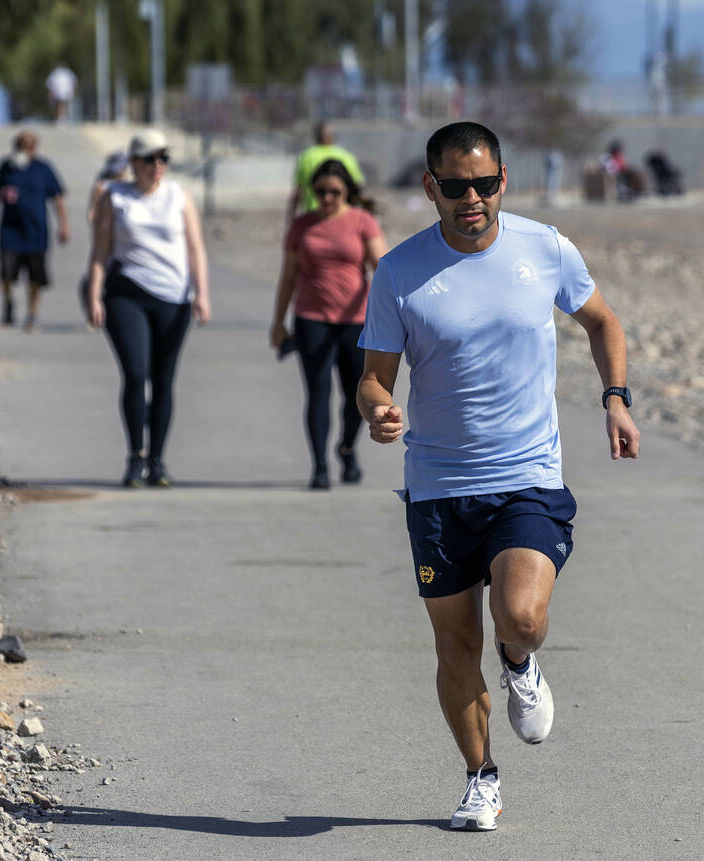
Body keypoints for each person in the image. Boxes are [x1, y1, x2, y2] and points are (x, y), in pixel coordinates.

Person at [356, 122, 641, 832]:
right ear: (431, 189)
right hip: (437, 487)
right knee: (455, 647)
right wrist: (380, 411)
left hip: (527, 476)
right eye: (455, 187)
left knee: (520, 615)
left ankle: (521, 657)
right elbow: (372, 379)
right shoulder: (399, 272)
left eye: (485, 184)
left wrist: (615, 398)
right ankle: (480, 776)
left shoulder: (544, 248)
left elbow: (604, 323)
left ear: (503, 180)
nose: (472, 198)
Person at [85, 129, 211, 488]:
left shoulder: (179, 197)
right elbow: (100, 251)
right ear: (134, 163)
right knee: (137, 374)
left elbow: (196, 248)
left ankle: (157, 461)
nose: (159, 166)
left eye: (164, 158)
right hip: (127, 294)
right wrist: (94, 296)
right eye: (151, 159)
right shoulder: (115, 196)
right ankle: (134, 458)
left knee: (164, 380)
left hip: (174, 298)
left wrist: (202, 294)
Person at [270, 160, 387, 489]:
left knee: (356, 395)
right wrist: (278, 322)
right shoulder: (301, 226)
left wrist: (396, 312)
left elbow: (383, 267)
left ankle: (347, 448)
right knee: (318, 392)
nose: (327, 199)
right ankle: (319, 465)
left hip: (356, 321)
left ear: (347, 191)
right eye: (319, 192)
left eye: (334, 192)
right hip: (311, 318)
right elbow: (288, 275)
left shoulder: (362, 221)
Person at [0, 130, 69, 331]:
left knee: (35, 277)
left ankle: (32, 314)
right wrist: (2, 194)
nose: (25, 149)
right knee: (5, 273)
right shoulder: (6, 167)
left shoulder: (44, 168)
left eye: (29, 145)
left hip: (36, 231)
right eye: (21, 145)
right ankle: (8, 302)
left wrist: (63, 225)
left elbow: (57, 198)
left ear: (35, 148)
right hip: (9, 231)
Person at [79, 151, 131, 325]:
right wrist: (102, 225)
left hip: (127, 240)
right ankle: (94, 307)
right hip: (107, 240)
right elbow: (92, 212)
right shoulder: (103, 186)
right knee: (99, 273)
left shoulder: (130, 186)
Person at [286, 120, 365, 226]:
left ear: (316, 137)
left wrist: (292, 219)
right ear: (333, 136)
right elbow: (358, 188)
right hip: (341, 214)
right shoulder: (346, 156)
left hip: (314, 214)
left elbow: (298, 191)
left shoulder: (306, 156)